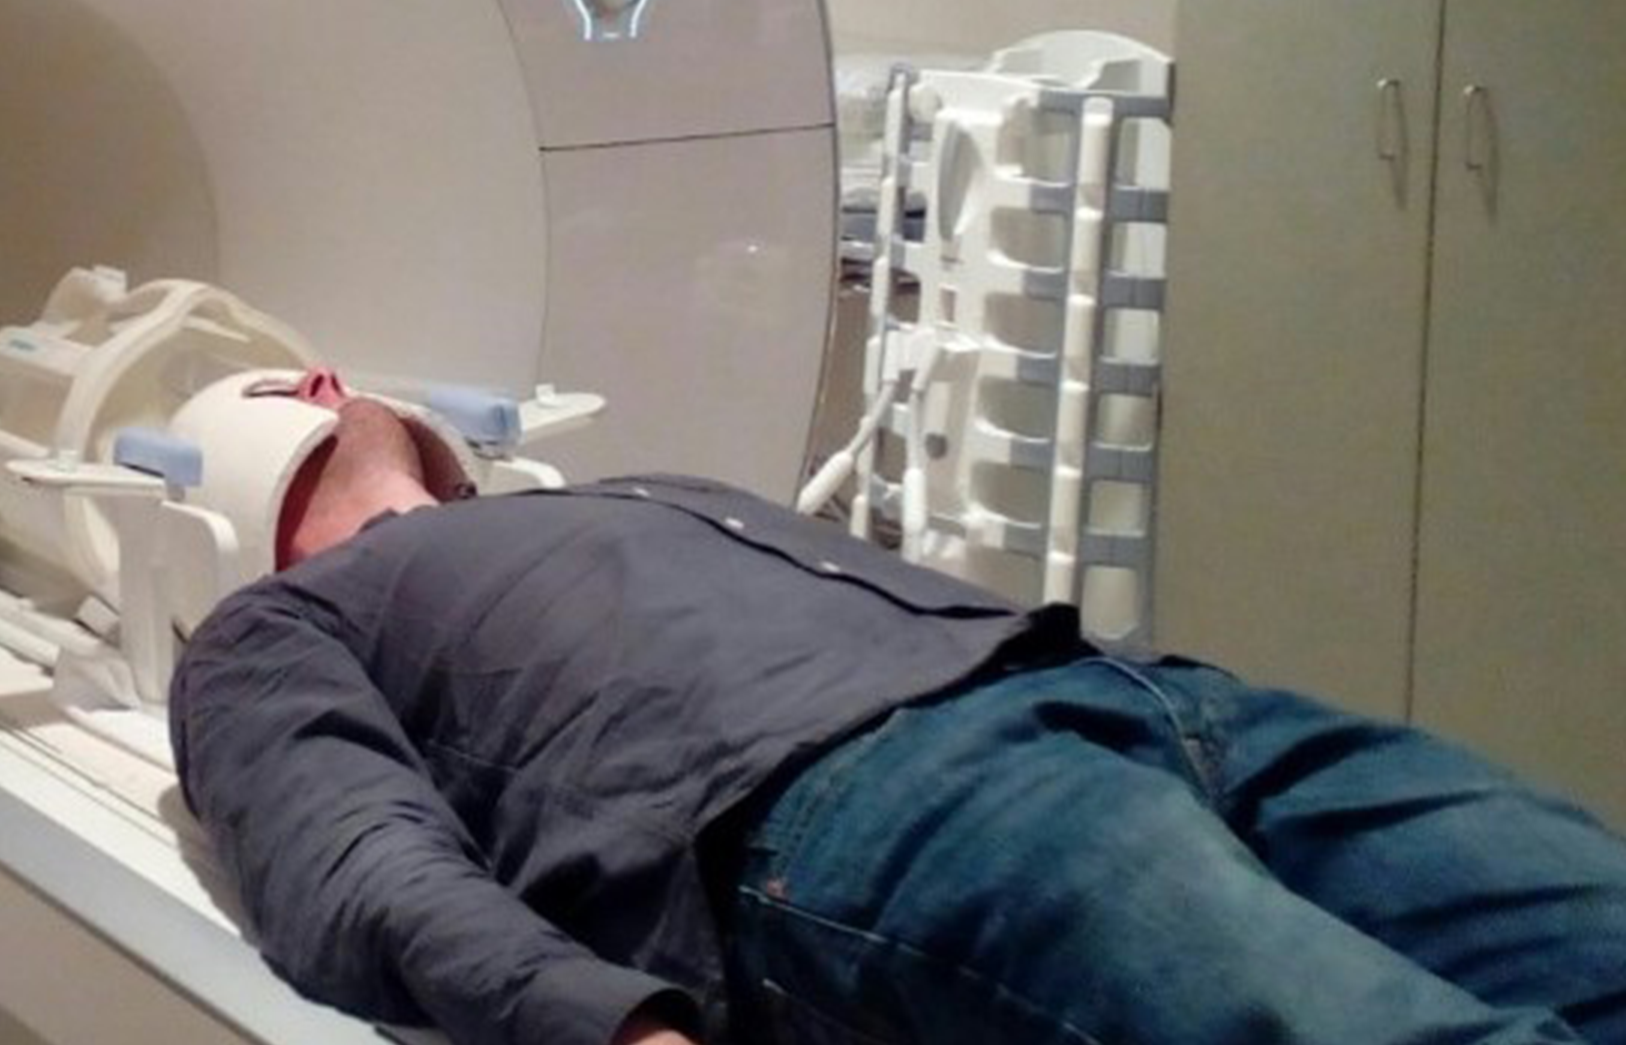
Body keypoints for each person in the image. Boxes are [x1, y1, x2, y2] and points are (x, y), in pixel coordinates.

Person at [168, 392, 1626, 1045]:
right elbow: (357, 862)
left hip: (1142, 696)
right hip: (874, 803)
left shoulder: (637, 488)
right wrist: (609, 1029)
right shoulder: (273, 629)